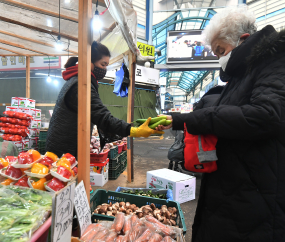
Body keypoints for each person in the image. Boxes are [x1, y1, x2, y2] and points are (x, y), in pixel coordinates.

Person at [157, 5, 285, 242]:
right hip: (234, 190)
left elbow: (266, 115)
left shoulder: (275, 62)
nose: (219, 57)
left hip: (255, 197)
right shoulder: (242, 74)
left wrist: (192, 119)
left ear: (243, 39)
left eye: (220, 50)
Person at [46, 41, 163, 158]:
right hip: (63, 151)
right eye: (103, 64)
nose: (105, 69)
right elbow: (102, 117)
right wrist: (133, 130)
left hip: (66, 147)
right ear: (89, 62)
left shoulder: (80, 80)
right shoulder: (80, 86)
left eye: (107, 65)